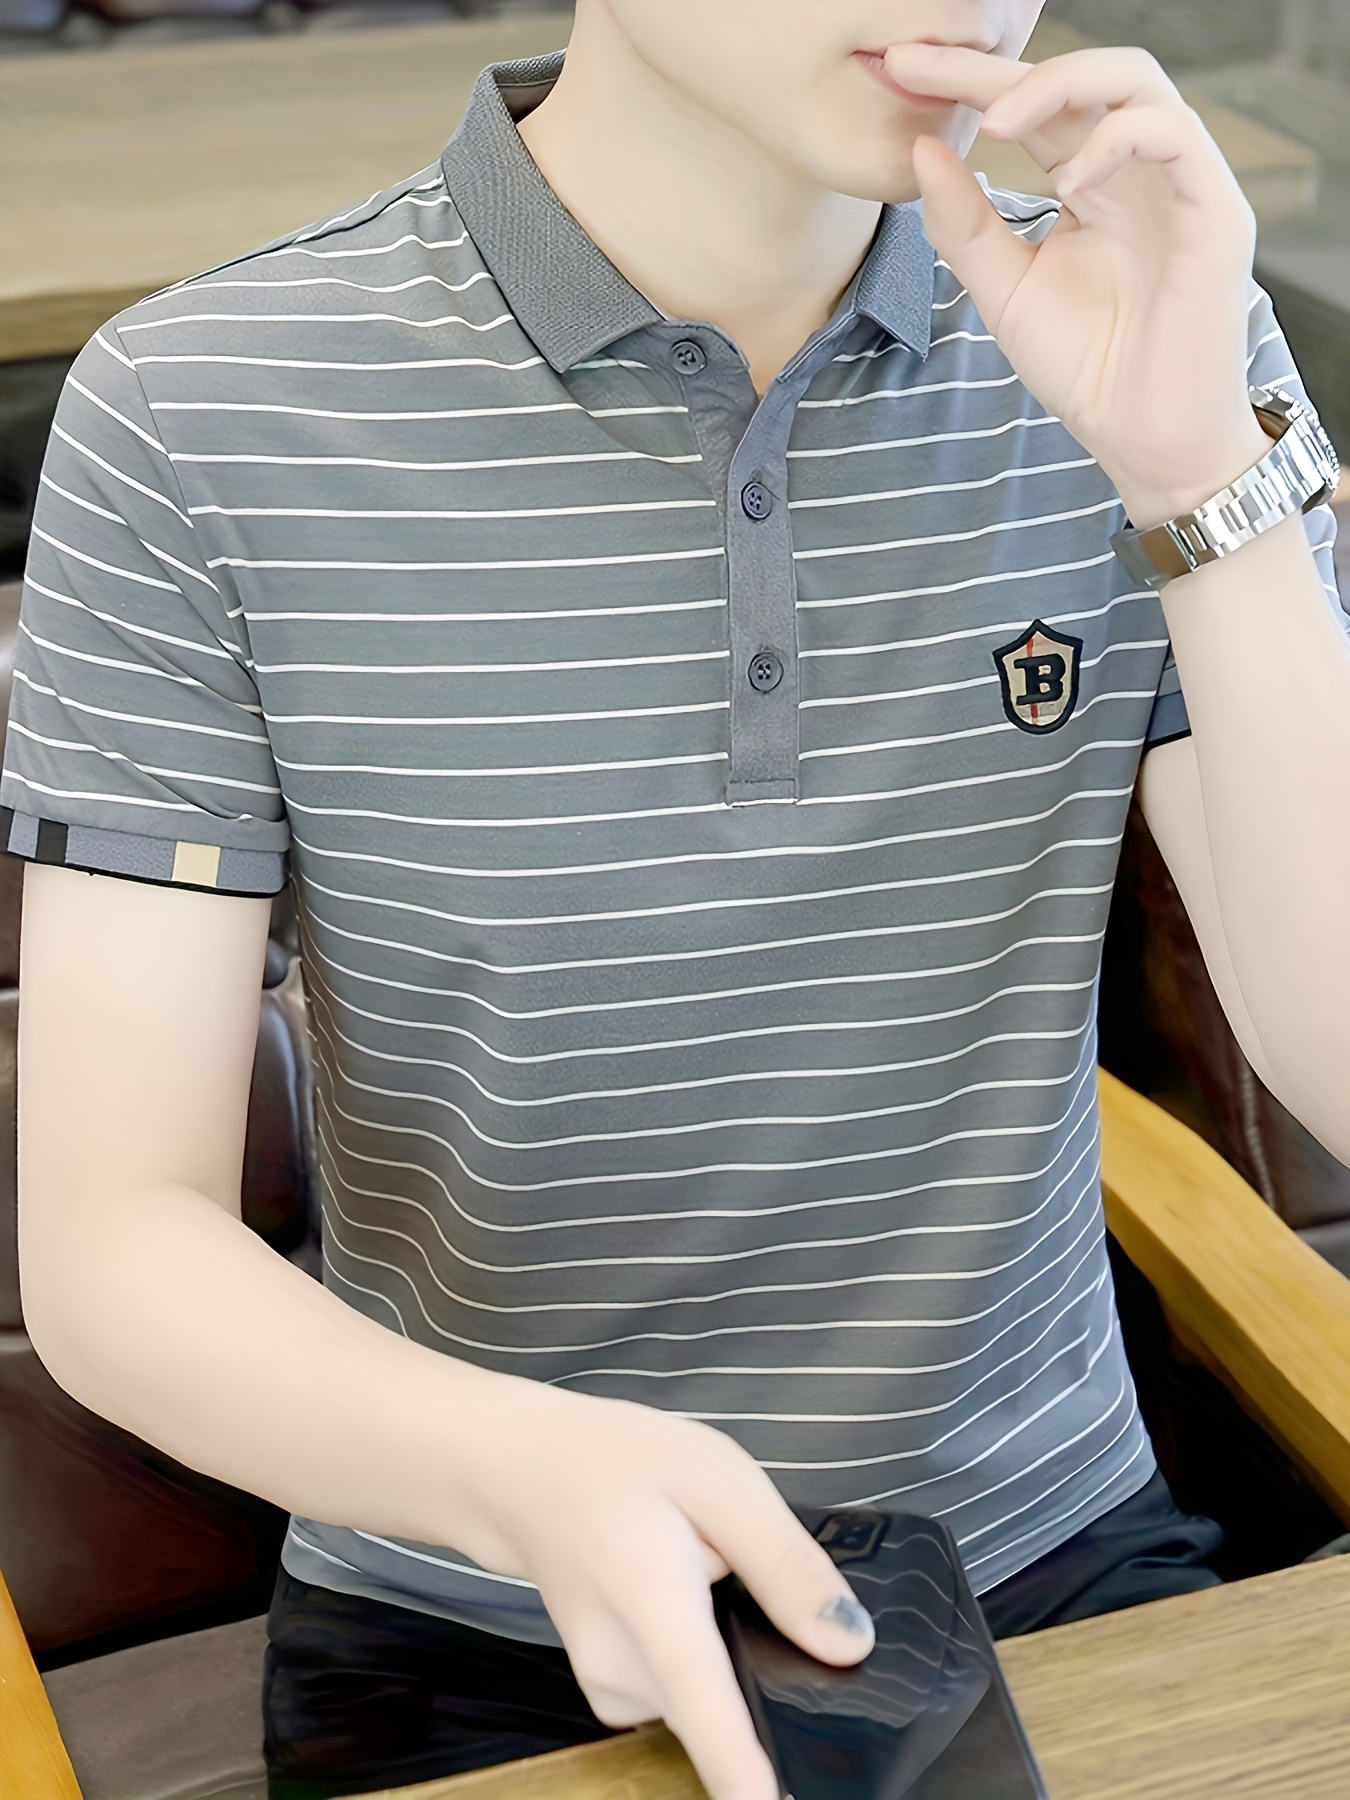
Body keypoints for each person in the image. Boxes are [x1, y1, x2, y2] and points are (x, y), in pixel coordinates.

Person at [10, 3, 1347, 1798]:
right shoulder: (197, 409)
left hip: (1053, 1562)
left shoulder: (1152, 321)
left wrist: (1202, 483)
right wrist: (521, 1473)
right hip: (471, 1608)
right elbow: (114, 1245)